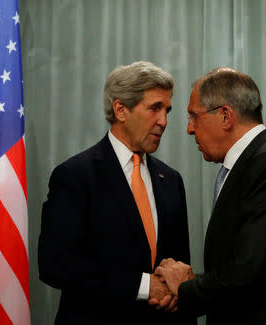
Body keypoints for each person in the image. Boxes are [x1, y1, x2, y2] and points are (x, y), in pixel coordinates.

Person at [154, 68, 266, 324]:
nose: (189, 129)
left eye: (194, 116)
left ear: (226, 116)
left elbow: (247, 274)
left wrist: (184, 288)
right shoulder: (253, 163)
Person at [38, 61, 196, 325]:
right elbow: (56, 264)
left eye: (167, 110)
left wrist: (176, 293)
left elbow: (177, 267)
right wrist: (145, 286)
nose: (164, 121)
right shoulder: (75, 176)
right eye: (155, 108)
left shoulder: (170, 180)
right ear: (121, 109)